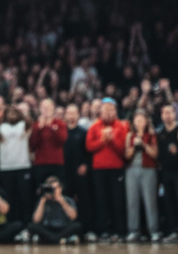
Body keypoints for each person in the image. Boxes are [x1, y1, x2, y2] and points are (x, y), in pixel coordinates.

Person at [85, 98, 128, 241]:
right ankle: (103, 230)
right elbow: (89, 147)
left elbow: (123, 149)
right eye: (105, 110)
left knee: (118, 200)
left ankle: (119, 231)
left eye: (111, 110)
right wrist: (103, 140)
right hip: (99, 169)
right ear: (101, 112)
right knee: (101, 201)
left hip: (116, 168)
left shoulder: (122, 126)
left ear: (115, 111)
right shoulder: (94, 126)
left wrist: (111, 140)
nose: (108, 113)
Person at [124, 109, 160, 242]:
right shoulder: (129, 136)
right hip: (132, 170)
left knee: (150, 201)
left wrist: (144, 145)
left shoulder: (151, 135)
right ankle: (133, 230)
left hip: (148, 169)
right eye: (136, 119)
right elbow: (127, 155)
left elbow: (154, 154)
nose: (139, 122)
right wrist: (134, 146)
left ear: (146, 121)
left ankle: (154, 230)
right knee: (132, 201)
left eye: (141, 119)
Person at [155, 103, 178, 240]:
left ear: (175, 114)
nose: (167, 115)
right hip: (166, 172)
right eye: (164, 113)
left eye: (170, 112)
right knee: (169, 202)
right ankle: (173, 229)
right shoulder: (160, 133)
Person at [0, 104, 33, 223]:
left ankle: (26, 223)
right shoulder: (0, 127)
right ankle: (11, 223)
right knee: (9, 198)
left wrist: (23, 111)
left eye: (15, 112)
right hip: (6, 167)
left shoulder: (24, 125)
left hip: (22, 166)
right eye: (9, 112)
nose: (12, 114)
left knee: (25, 198)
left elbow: (30, 122)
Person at [62, 103, 93, 235]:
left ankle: (86, 230)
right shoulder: (61, 132)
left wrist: (85, 164)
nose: (71, 115)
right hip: (65, 172)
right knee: (66, 200)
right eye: (69, 113)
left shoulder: (83, 132)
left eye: (74, 113)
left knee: (84, 201)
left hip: (80, 173)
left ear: (78, 115)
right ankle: (68, 230)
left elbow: (88, 152)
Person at [28, 175, 81, 244]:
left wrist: (61, 200)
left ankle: (52, 239)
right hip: (48, 228)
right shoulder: (43, 201)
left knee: (77, 225)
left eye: (55, 188)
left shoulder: (68, 200)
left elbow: (73, 217)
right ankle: (59, 239)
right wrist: (42, 201)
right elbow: (36, 220)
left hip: (63, 227)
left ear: (60, 188)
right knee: (31, 226)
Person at [30, 98, 67, 188]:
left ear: (53, 109)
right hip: (40, 163)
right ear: (40, 109)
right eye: (44, 107)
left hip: (56, 162)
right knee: (41, 188)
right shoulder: (36, 125)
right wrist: (40, 128)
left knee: (58, 188)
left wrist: (52, 128)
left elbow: (62, 140)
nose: (46, 110)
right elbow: (33, 143)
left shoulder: (60, 124)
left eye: (48, 107)